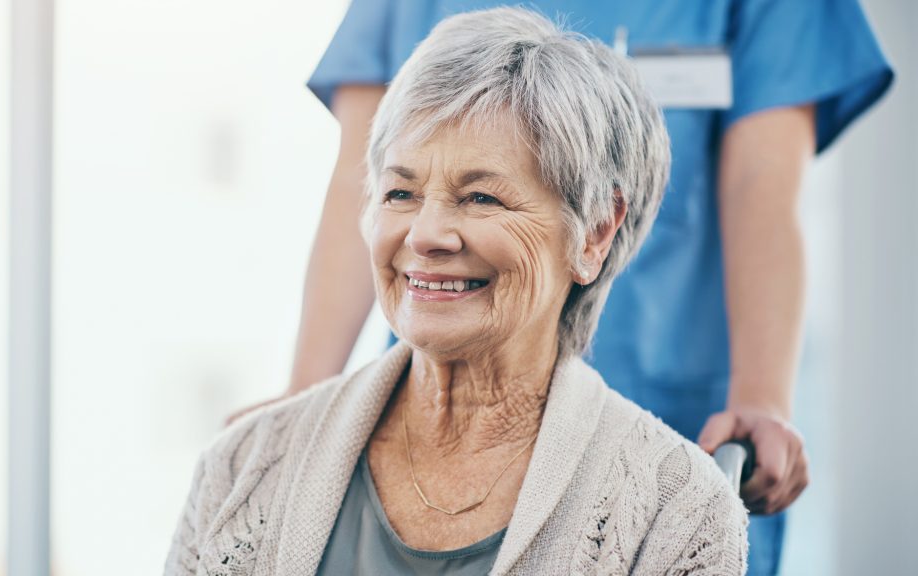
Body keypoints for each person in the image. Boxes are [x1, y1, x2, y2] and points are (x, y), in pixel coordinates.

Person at [287, 1, 893, 572]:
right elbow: (361, 183)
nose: (431, 232)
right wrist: (302, 410)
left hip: (678, 405)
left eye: (480, 197)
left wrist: (760, 400)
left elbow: (761, 187)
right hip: (442, 400)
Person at [169, 8, 748, 575]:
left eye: (481, 198)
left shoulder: (679, 512)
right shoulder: (239, 468)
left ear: (595, 232)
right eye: (400, 193)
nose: (424, 236)